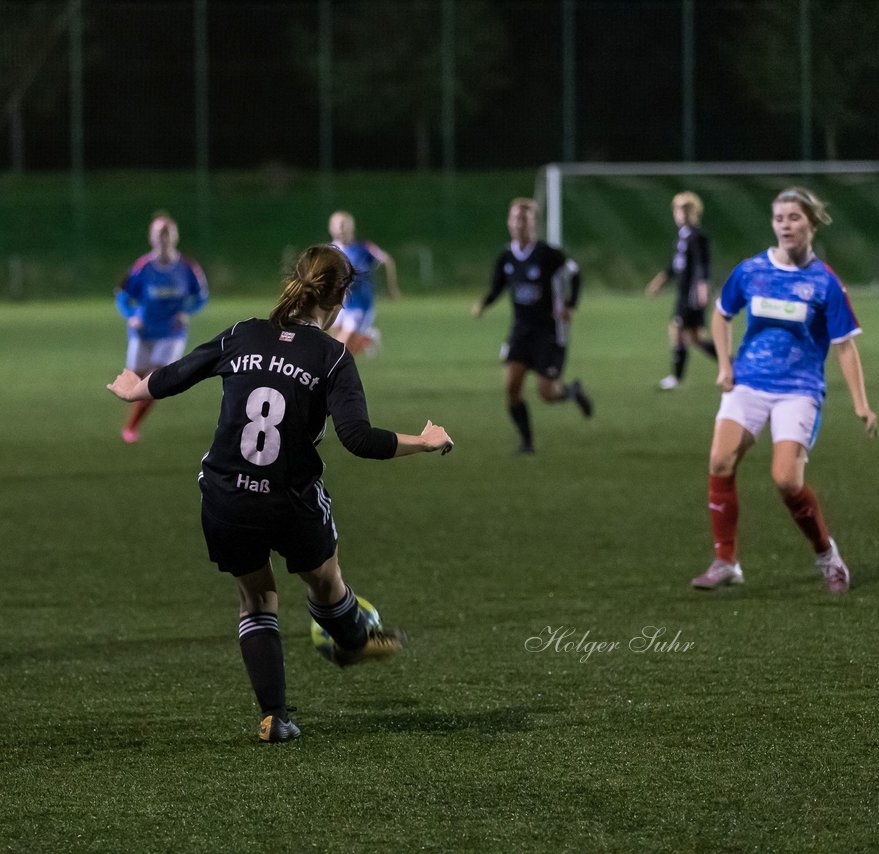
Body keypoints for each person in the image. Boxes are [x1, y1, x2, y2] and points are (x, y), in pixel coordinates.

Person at [106, 244, 453, 743]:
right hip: (289, 498)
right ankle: (354, 640)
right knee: (326, 581)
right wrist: (425, 440)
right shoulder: (332, 358)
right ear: (339, 301)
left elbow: (182, 372)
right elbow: (358, 439)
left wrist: (135, 389)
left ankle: (274, 717)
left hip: (226, 495)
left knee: (256, 599)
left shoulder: (244, 332)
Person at [692, 186, 878, 594]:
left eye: (794, 218)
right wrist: (725, 366)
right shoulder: (752, 271)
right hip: (749, 383)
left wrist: (862, 404)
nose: (785, 225)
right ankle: (726, 562)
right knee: (720, 460)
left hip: (799, 390)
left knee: (786, 482)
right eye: (779, 218)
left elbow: (845, 347)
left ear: (811, 223)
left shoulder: (825, 283)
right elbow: (721, 316)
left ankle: (827, 555)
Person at [471, 197, 593, 454]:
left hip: (549, 332)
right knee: (512, 388)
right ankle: (527, 443)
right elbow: (497, 287)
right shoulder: (506, 257)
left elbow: (576, 274)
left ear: (533, 224)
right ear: (508, 222)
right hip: (520, 332)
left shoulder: (548, 254)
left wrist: (570, 305)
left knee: (547, 394)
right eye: (515, 219)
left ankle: (572, 392)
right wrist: (484, 303)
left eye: (524, 220)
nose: (518, 224)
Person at [113, 213, 208, 443]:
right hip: (143, 334)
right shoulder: (142, 267)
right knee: (134, 381)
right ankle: (131, 425)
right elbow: (122, 295)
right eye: (159, 233)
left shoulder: (188, 268)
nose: (163, 238)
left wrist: (186, 312)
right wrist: (132, 315)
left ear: (175, 236)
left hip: (171, 335)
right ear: (151, 238)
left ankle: (131, 428)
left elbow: (201, 296)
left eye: (167, 233)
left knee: (154, 381)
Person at [645, 191, 718, 390]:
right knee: (695, 338)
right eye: (678, 209)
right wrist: (661, 280)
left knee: (677, 329)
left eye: (686, 209)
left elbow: (703, 265)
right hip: (683, 290)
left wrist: (703, 287)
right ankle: (734, 365)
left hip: (692, 292)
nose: (681, 214)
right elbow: (678, 266)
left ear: (695, 212)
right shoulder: (683, 236)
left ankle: (676, 377)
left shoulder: (697, 236)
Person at [327, 210, 400, 356]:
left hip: (360, 304)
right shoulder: (329, 250)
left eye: (344, 224)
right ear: (331, 227)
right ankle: (367, 338)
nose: (341, 228)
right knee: (339, 346)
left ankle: (332, 376)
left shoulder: (364, 248)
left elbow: (386, 260)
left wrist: (392, 287)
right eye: (337, 224)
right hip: (338, 304)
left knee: (340, 350)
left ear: (351, 227)